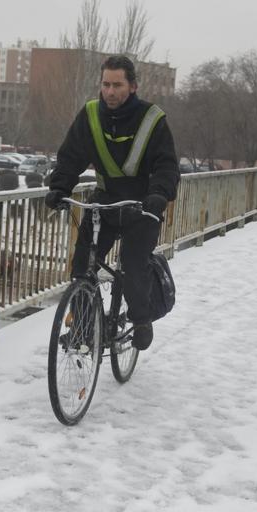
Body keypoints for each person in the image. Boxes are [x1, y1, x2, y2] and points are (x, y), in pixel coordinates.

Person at [44, 55, 180, 351]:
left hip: (143, 206)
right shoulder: (90, 115)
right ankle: (81, 329)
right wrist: (59, 187)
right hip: (104, 204)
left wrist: (159, 194)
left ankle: (141, 319)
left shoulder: (152, 119)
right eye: (106, 84)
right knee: (82, 265)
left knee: (133, 265)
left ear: (132, 86)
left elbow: (167, 165)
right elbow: (70, 157)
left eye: (117, 85)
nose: (110, 91)